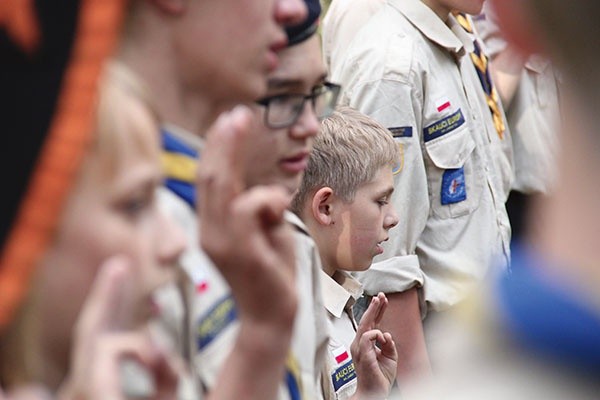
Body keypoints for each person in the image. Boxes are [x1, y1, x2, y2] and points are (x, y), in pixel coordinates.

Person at [395, 0, 600, 398]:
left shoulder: (461, 40)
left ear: (508, 17)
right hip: (443, 323)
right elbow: (390, 261)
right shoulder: (397, 58)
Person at [327, 0, 514, 384]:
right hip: (436, 345)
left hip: (480, 329)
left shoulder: (453, 36)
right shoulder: (393, 66)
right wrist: (423, 388)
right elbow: (386, 258)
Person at [187, 4, 337, 398]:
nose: (310, 125)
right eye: (282, 98)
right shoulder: (166, 239)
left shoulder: (293, 241)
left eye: (316, 94)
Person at [291, 106, 400, 400]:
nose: (393, 217)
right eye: (381, 201)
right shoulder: (296, 317)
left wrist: (370, 392)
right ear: (326, 208)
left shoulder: (338, 291)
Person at [472, 3, 561, 244]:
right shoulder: (492, 13)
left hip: (562, 188)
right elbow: (491, 103)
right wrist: (520, 37)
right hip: (522, 192)